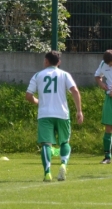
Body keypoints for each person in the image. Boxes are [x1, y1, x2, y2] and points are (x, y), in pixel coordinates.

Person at [25, 51, 83, 182]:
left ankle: (47, 173)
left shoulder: (38, 75)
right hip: (62, 114)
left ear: (46, 61)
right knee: (64, 142)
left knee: (46, 143)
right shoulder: (65, 74)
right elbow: (74, 90)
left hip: (45, 114)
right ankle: (63, 164)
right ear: (59, 62)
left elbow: (28, 96)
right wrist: (79, 111)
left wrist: (37, 101)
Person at [94, 50, 112, 164]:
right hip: (109, 98)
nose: (110, 65)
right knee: (108, 127)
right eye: (108, 64)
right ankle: (107, 157)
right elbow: (97, 76)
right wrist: (102, 85)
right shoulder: (102, 63)